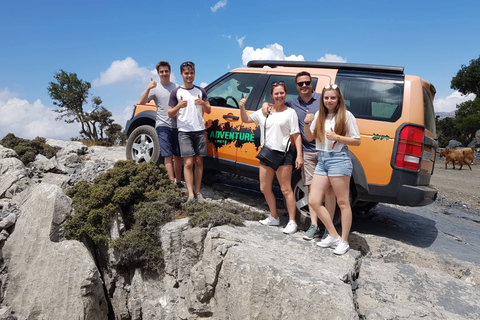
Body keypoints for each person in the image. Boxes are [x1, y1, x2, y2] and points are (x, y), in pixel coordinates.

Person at [262, 72, 335, 240]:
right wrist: (266, 104)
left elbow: (336, 107)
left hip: (327, 150)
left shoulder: (322, 99)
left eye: (307, 83)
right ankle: (314, 226)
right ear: (296, 86)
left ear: (312, 84)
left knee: (330, 191)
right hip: (308, 152)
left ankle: (328, 229)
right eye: (300, 84)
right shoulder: (292, 104)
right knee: (310, 189)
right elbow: (277, 104)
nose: (304, 86)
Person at [304, 84, 361, 255]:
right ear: (323, 100)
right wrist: (307, 124)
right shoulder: (319, 116)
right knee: (314, 200)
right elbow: (309, 137)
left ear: (338, 100)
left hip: (339, 159)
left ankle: (344, 241)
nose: (329, 100)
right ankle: (333, 235)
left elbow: (357, 140)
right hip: (322, 159)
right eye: (326, 98)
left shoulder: (346, 115)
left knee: (343, 203)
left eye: (333, 98)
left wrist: (338, 137)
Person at [240, 81, 303, 234]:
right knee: (264, 187)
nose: (279, 96)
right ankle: (274, 217)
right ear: (271, 95)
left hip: (284, 155)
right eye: (276, 93)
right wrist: (242, 107)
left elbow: (296, 134)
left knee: (286, 189)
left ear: (286, 94)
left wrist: (299, 155)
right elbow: (246, 120)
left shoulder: (290, 113)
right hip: (267, 154)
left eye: (282, 93)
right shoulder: (264, 111)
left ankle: (292, 221)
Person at [168, 61, 211, 202]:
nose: (189, 75)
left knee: (199, 162)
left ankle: (198, 192)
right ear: (181, 74)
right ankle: (190, 194)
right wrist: (179, 106)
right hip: (184, 131)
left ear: (194, 74)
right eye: (186, 73)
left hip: (199, 130)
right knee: (187, 163)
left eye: (191, 73)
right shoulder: (176, 92)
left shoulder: (201, 91)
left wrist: (203, 103)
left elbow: (209, 110)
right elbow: (170, 113)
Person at [138, 61, 182, 187]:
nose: (164, 74)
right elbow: (141, 102)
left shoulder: (177, 87)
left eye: (166, 71)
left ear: (170, 72)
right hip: (162, 125)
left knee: (178, 155)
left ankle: (179, 182)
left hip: (177, 125)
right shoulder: (155, 88)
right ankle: (171, 182)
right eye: (161, 72)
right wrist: (148, 88)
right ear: (158, 73)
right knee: (168, 155)